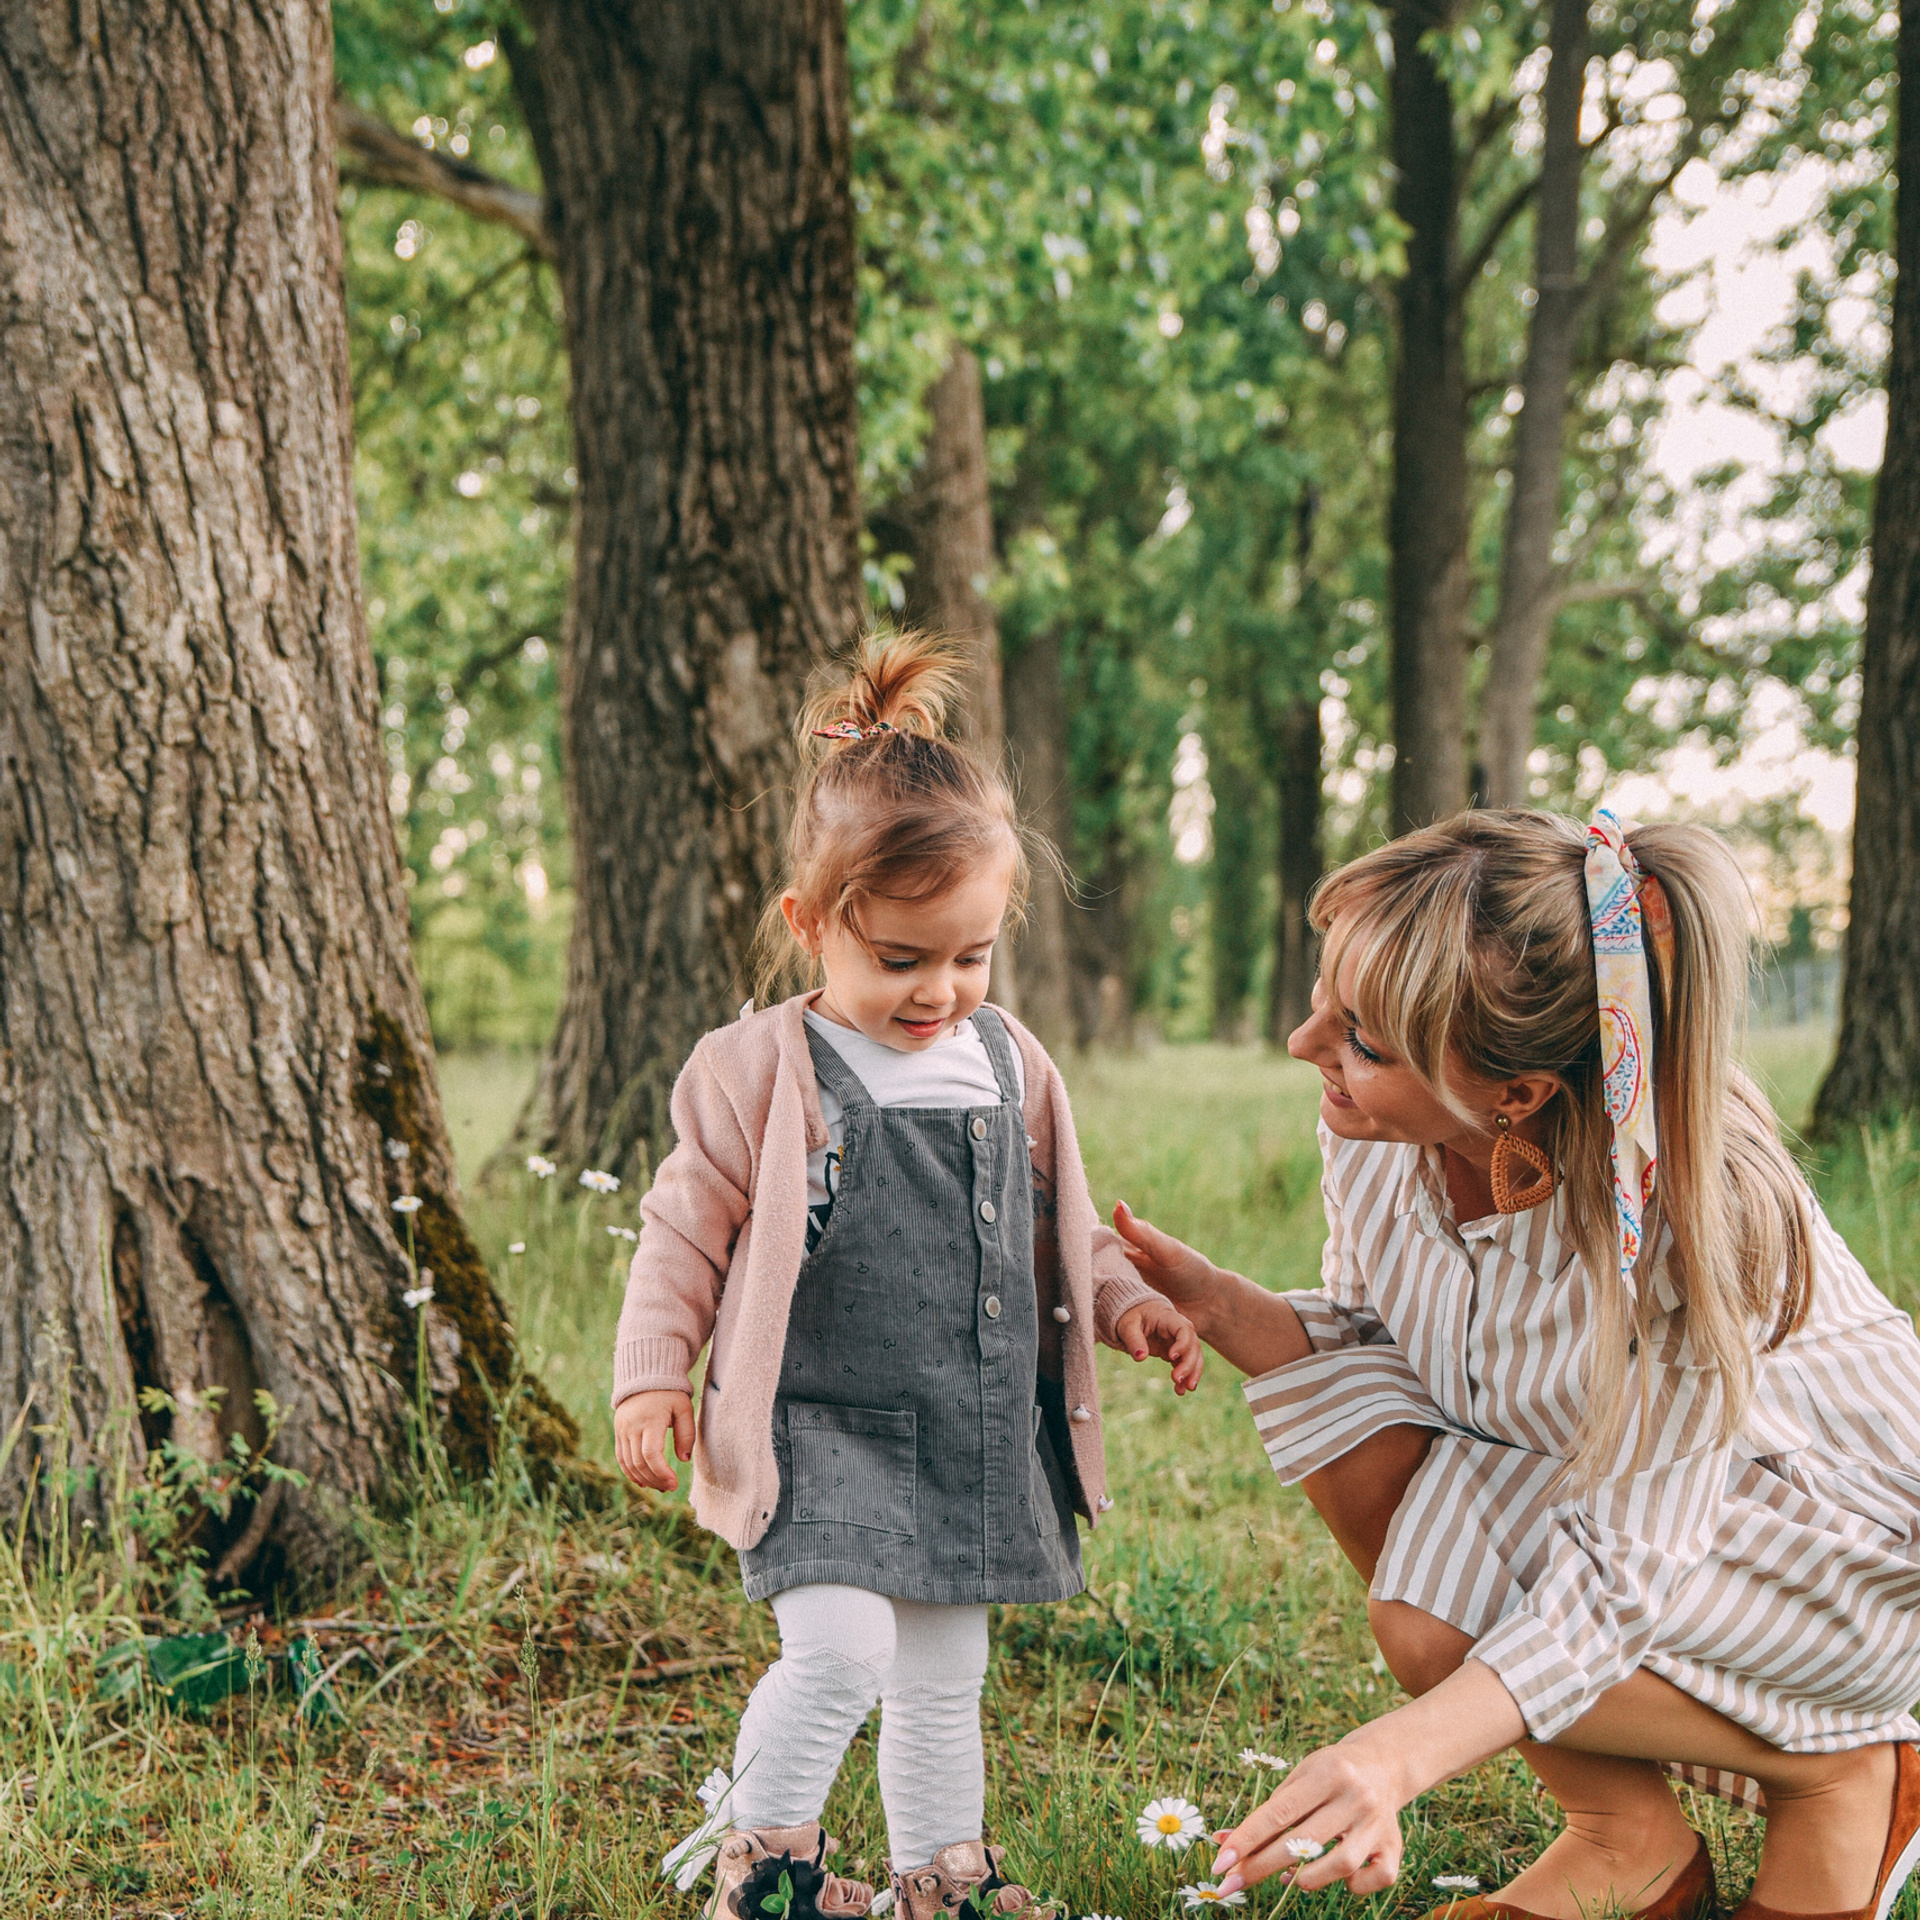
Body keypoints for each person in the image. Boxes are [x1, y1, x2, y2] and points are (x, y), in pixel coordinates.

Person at [1117, 809, 1920, 1920]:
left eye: (1362, 1041)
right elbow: (1385, 1363)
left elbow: (1629, 1571)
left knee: (1448, 1591)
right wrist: (1220, 1305)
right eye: (1325, 1006)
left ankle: (1844, 1771)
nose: (1307, 1048)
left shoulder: (1685, 1219)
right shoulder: (1383, 1136)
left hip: (1856, 1569)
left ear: (1517, 1095)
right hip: (1676, 1525)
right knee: (1417, 1596)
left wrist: (1395, 1758)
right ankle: (1628, 1842)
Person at [614, 633, 1203, 1920]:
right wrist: (652, 1381)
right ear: (810, 925)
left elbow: (1060, 1227)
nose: (942, 990)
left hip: (971, 1430)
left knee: (943, 1676)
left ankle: (946, 1879)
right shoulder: (753, 1069)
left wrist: (1128, 1304)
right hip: (817, 1426)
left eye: (972, 955)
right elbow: (681, 1233)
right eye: (901, 960)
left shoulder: (1010, 1062)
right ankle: (764, 1873)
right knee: (840, 1651)